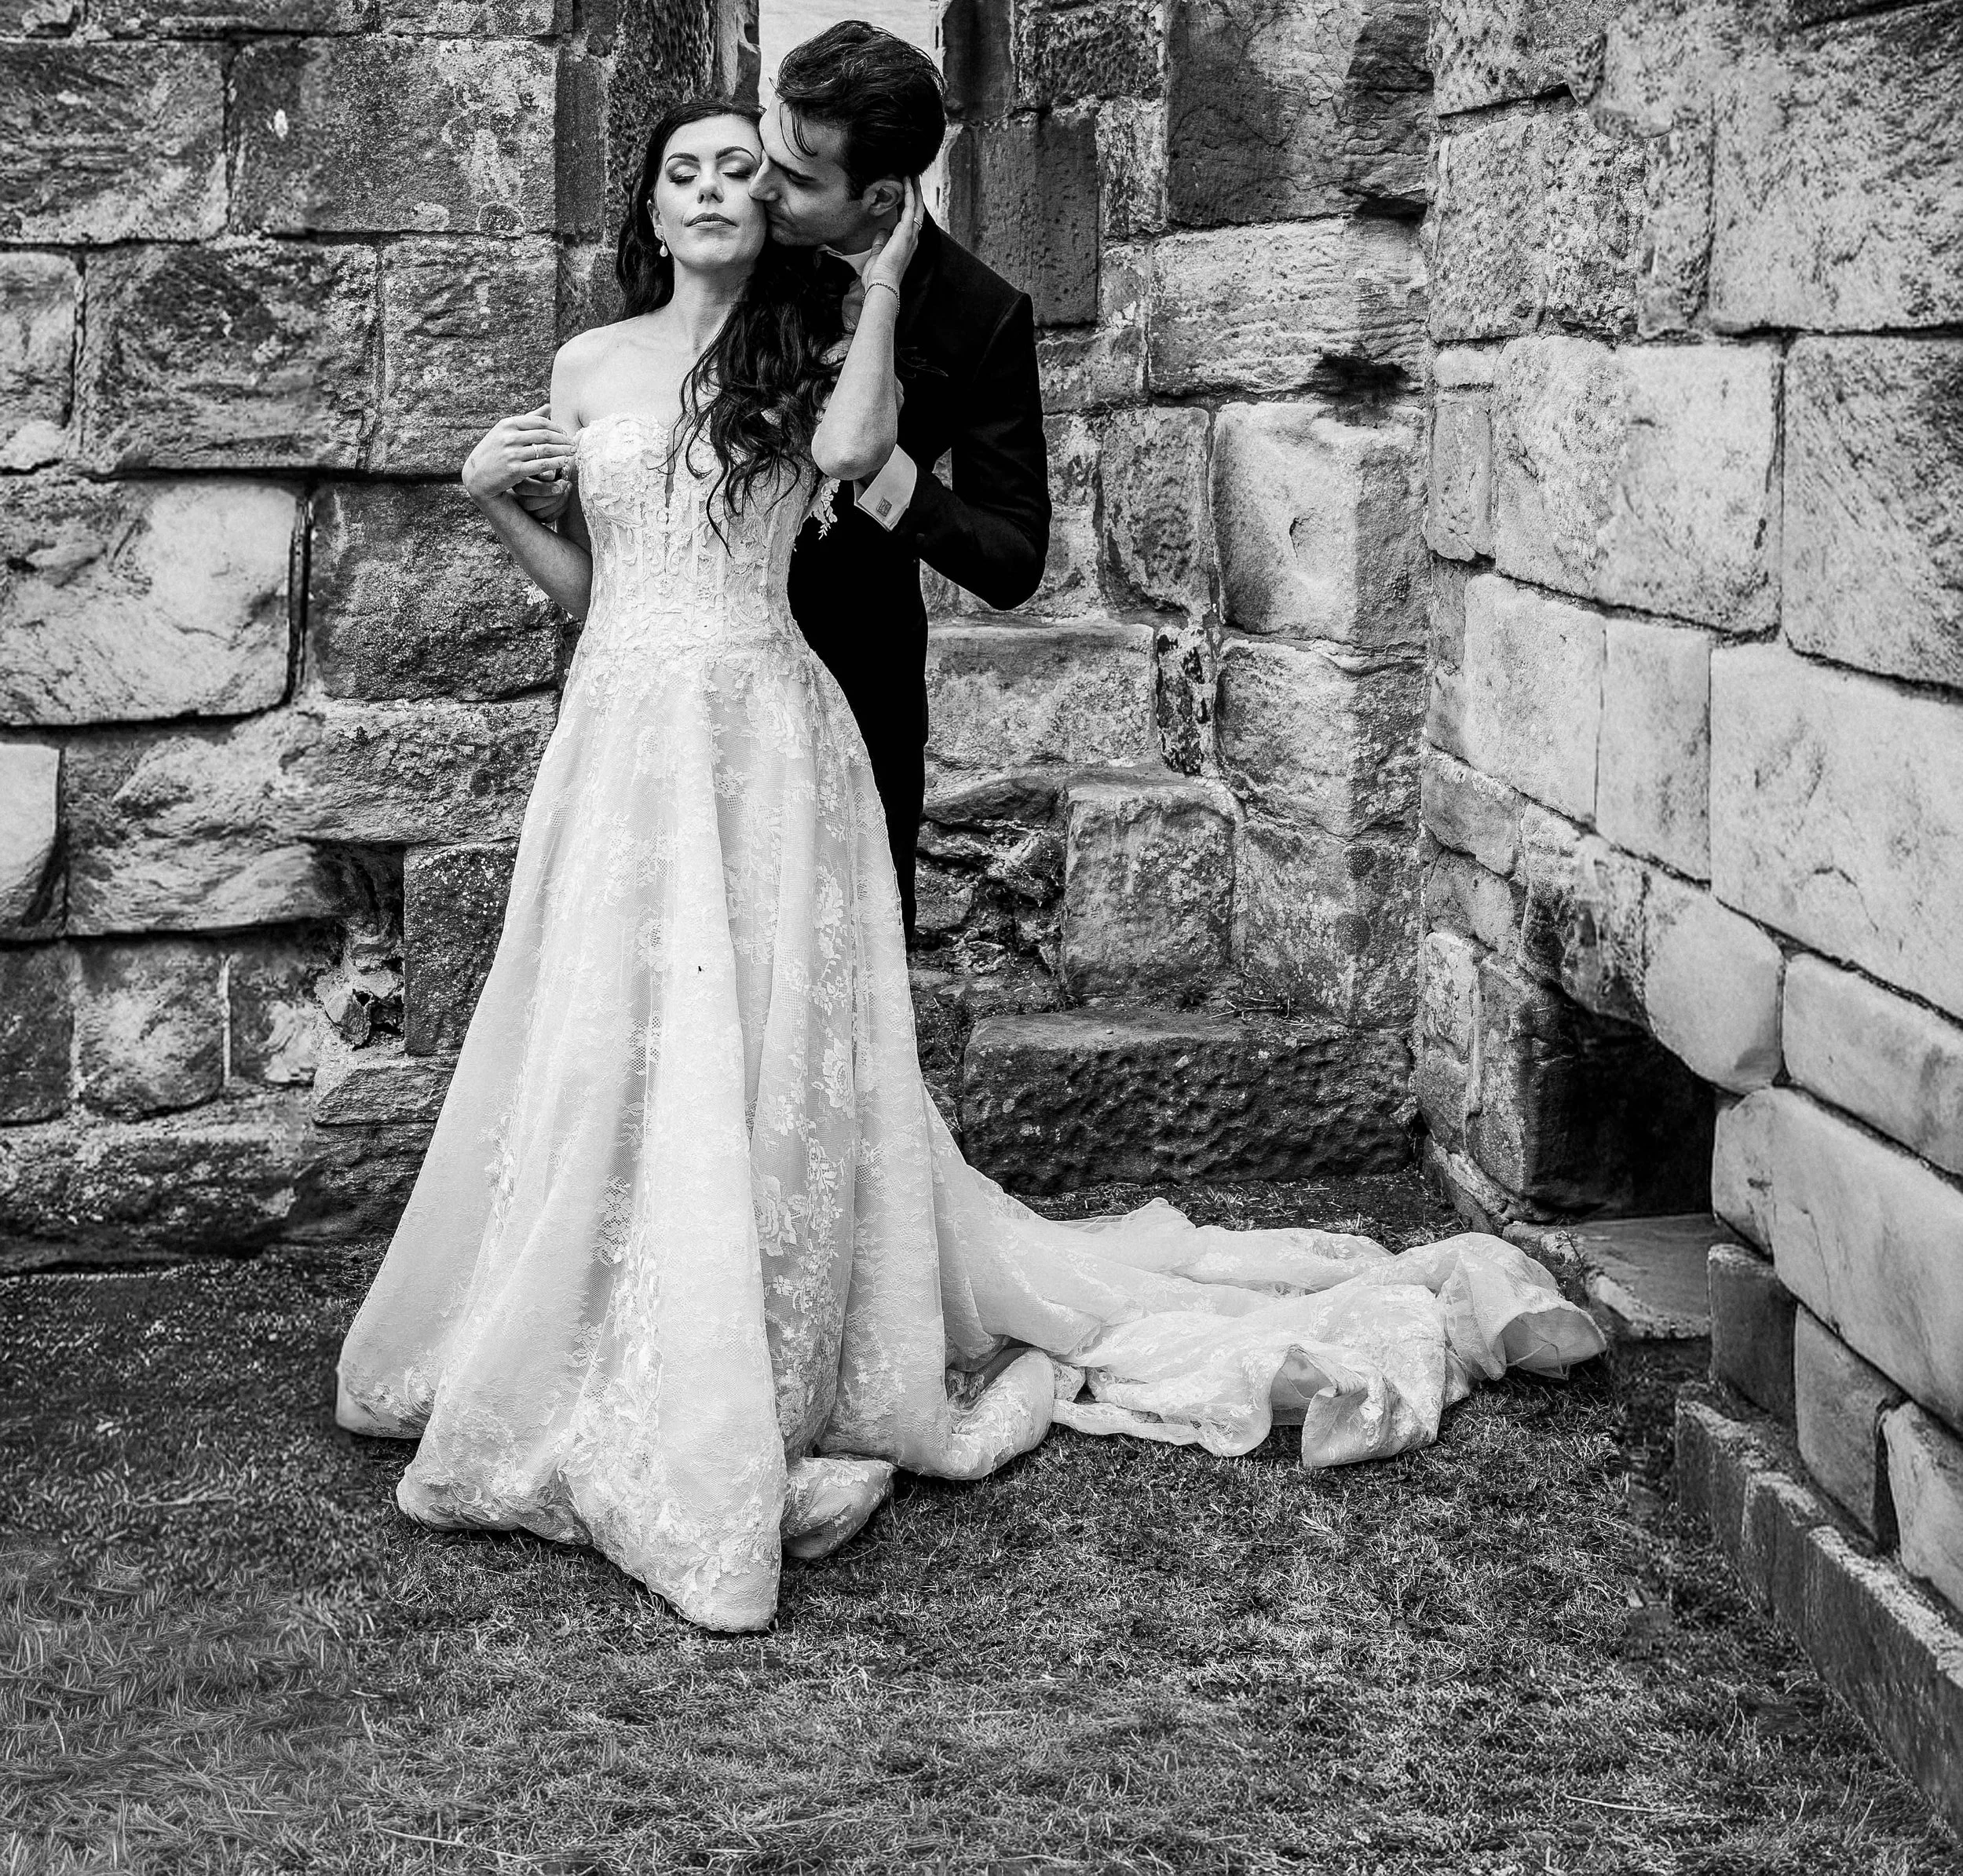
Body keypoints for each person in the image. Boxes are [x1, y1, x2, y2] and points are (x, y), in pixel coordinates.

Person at [336, 87, 1605, 1633]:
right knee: (611, 1031)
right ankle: (597, 1312)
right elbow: (594, 589)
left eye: (744, 165)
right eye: (683, 167)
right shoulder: (588, 362)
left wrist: (871, 281)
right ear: (649, 204)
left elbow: (862, 449)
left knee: (763, 1033)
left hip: (760, 718)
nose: (713, 185)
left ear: (776, 198)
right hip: (619, 730)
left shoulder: (801, 344)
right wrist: (488, 504)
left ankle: (761, 1331)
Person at [751, 21, 1051, 942]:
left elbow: (1011, 557)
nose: (761, 188)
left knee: (856, 943)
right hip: (719, 644)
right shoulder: (742, 253)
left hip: (861, 672)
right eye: (766, 154)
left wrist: (879, 471)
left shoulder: (980, 315)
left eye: (796, 179)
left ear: (881, 197)